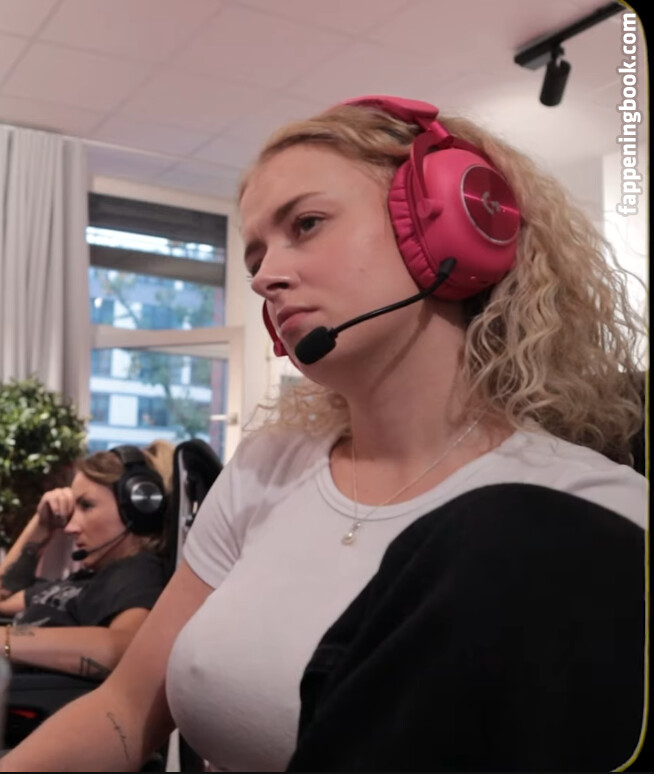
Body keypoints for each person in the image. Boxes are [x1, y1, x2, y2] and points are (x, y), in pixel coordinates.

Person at [0, 95, 647, 772]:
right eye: (255, 257)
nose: (265, 277)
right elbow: (124, 713)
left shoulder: (597, 509)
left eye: (306, 225)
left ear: (450, 227)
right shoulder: (265, 467)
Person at [0, 441, 173, 680]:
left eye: (86, 505)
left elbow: (127, 649)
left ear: (139, 509)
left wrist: (6, 641)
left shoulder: (137, 572)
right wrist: (42, 524)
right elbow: (3, 596)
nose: (69, 527)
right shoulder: (85, 580)